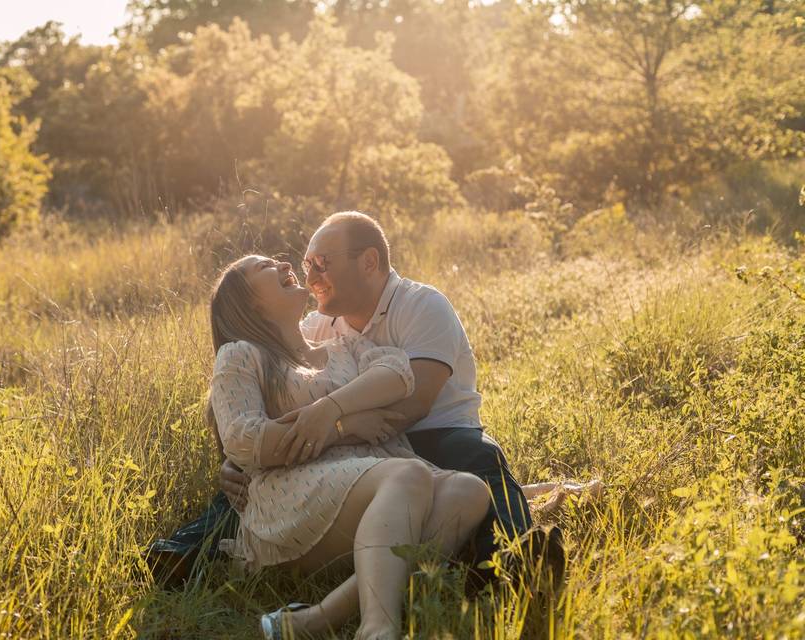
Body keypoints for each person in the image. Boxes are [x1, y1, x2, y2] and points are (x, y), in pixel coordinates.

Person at [147, 212, 598, 591]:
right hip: (356, 454)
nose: (310, 275)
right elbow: (271, 388)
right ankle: (183, 554)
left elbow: (414, 402)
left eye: (321, 262)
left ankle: (513, 565)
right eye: (307, 264)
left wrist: (334, 425)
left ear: (368, 262)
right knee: (256, 486)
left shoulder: (422, 306)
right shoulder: (316, 328)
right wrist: (241, 460)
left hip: (433, 434)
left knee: (479, 463)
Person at [208, 253, 494, 640]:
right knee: (408, 476)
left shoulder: (344, 347)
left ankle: (320, 617)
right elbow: (245, 440)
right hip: (290, 499)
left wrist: (329, 412)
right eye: (264, 267)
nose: (284, 265)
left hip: (374, 484)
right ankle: (377, 627)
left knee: (469, 490)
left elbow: (396, 375)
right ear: (248, 302)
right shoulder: (242, 354)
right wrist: (346, 426)